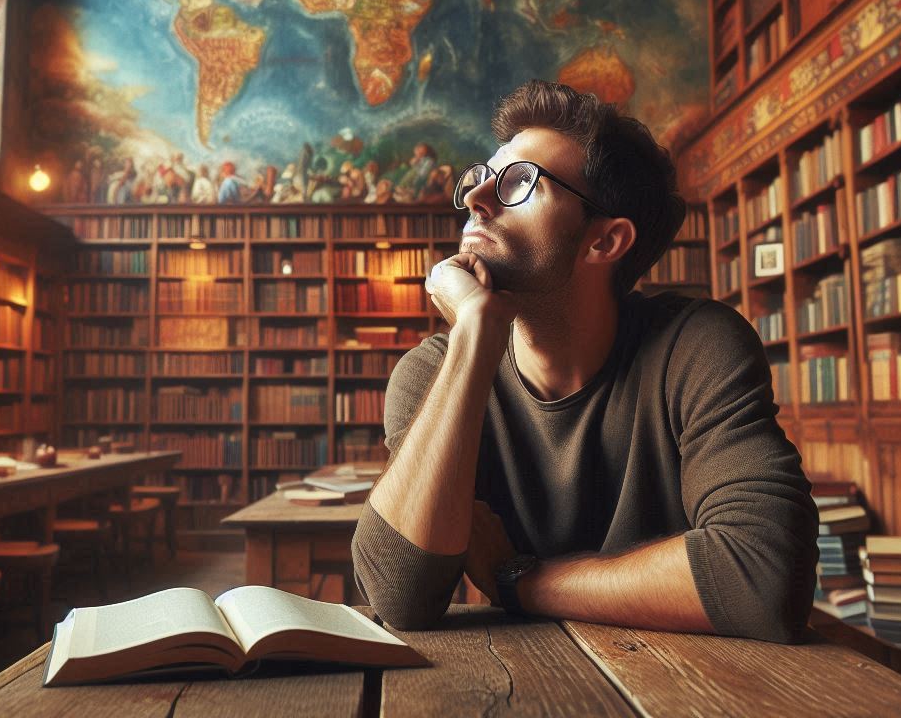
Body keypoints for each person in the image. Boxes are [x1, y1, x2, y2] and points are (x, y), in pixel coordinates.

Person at [351, 80, 818, 643]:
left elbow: (762, 579)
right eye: (481, 179)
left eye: (520, 182)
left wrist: (518, 581)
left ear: (604, 241)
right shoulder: (434, 372)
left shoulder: (698, 346)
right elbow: (400, 595)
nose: (477, 199)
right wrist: (475, 334)